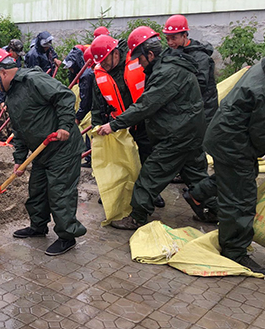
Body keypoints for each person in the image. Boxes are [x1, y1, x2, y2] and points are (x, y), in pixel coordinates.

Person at [97, 27, 216, 229]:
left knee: (150, 175)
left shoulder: (167, 73)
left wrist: (114, 125)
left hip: (177, 135)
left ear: (150, 55)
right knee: (195, 174)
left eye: (140, 59)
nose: (139, 64)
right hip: (191, 132)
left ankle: (137, 216)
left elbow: (146, 105)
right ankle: (213, 210)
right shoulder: (170, 64)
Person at [0, 48, 87, 255]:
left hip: (63, 148)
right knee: (36, 190)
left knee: (59, 193)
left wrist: (65, 125)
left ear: (2, 72)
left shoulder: (33, 80)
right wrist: (19, 160)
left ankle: (67, 236)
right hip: (42, 151)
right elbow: (19, 132)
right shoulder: (11, 98)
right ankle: (38, 227)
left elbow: (64, 96)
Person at [185, 53, 265, 275]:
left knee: (233, 179)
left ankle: (196, 194)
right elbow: (262, 134)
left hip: (224, 136)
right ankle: (235, 252)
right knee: (241, 199)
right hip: (233, 143)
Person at [90, 34, 165, 206]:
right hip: (119, 124)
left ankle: (152, 193)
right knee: (119, 160)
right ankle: (115, 192)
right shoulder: (99, 73)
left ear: (115, 53)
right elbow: (97, 107)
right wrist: (96, 131)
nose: (104, 65)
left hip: (144, 120)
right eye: (100, 62)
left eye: (105, 60)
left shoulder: (138, 61)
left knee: (148, 158)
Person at [163, 14, 218, 122]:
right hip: (184, 112)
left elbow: (199, 85)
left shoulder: (200, 58)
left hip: (203, 112)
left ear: (184, 35)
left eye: (174, 38)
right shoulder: (170, 54)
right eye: (167, 39)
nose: (170, 43)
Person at [75, 47, 94, 168]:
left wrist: (79, 116)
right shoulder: (94, 72)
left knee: (90, 134)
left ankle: (90, 158)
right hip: (94, 109)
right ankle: (90, 158)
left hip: (92, 110)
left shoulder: (87, 75)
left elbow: (85, 99)